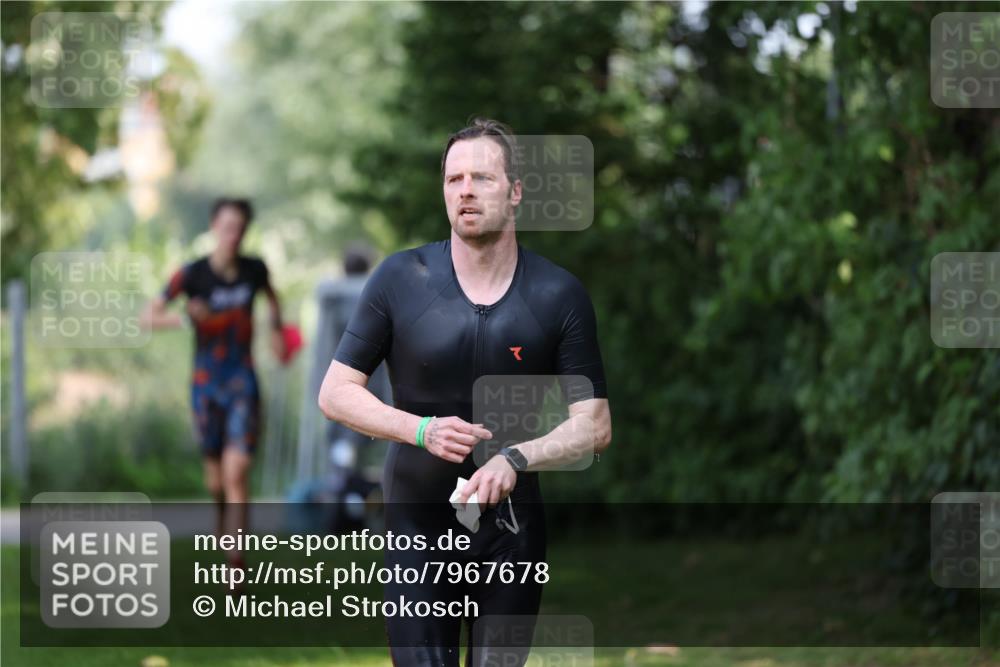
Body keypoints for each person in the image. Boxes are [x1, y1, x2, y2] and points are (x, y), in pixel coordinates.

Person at [318, 118, 612, 666]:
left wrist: (515, 458)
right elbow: (335, 393)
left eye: (482, 178)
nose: (466, 191)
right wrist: (420, 430)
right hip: (418, 530)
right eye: (454, 179)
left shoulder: (557, 294)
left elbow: (594, 425)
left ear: (516, 191)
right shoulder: (401, 280)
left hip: (512, 535)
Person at [142, 197, 286, 571]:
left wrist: (277, 332)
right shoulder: (191, 275)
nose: (233, 235)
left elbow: (273, 299)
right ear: (213, 227)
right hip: (205, 385)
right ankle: (222, 518)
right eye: (227, 227)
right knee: (216, 482)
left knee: (237, 470)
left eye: (239, 228)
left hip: (243, 381)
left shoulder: (255, 269)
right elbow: (148, 317)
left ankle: (236, 563)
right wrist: (186, 320)